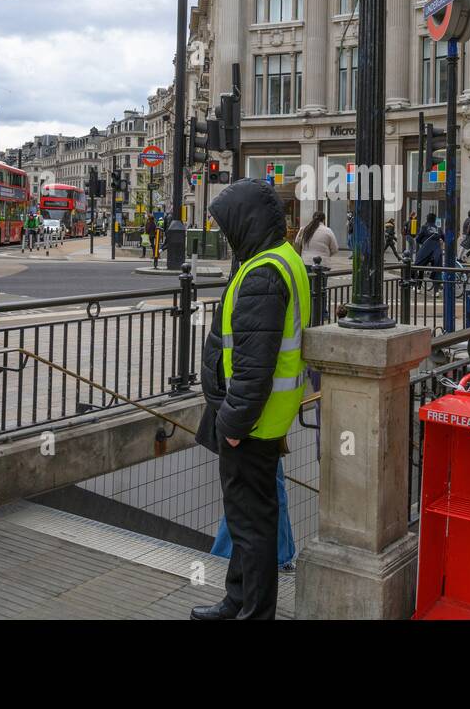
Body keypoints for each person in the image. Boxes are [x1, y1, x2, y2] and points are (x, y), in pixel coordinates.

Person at [192, 179, 311, 620]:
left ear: (247, 221)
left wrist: (234, 425)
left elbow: (254, 363)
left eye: (229, 225)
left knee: (253, 526)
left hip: (252, 424)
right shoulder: (278, 259)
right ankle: (236, 600)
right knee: (246, 522)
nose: (225, 235)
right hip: (263, 419)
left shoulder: (263, 271)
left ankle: (253, 612)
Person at [210, 458, 297, 573]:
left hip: (256, 446)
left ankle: (221, 552)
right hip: (258, 446)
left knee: (246, 493)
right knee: (272, 493)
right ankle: (281, 558)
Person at [414, 212, 443, 288]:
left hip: (426, 250)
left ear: (427, 219)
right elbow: (444, 237)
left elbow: (418, 239)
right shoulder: (438, 229)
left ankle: (419, 286)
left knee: (419, 265)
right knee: (437, 269)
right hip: (436, 251)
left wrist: (422, 241)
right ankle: (437, 290)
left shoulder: (424, 227)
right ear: (434, 220)